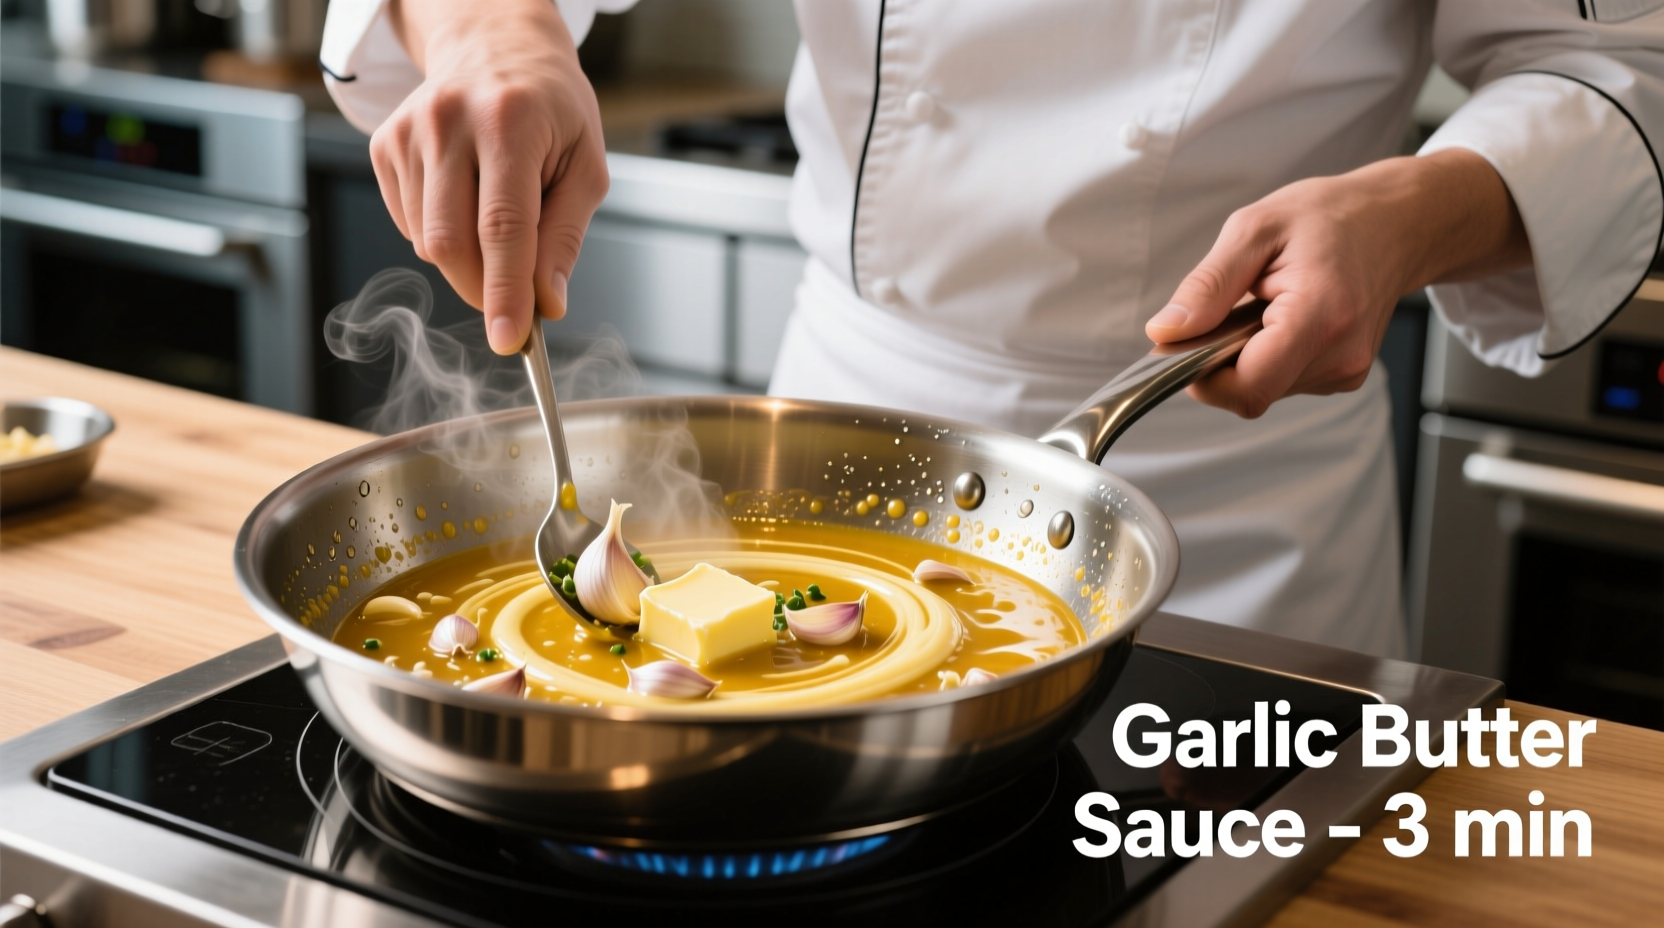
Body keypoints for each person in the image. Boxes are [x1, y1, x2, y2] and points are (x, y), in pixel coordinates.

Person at [318, 1, 1664, 658]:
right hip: (845, 409)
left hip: (1234, 485)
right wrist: (494, 35)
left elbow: (1619, 70)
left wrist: (1407, 214)